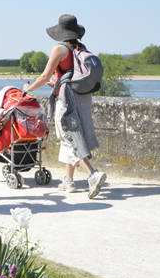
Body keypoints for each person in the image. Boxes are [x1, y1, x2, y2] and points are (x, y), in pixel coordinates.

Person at [23, 14, 107, 198]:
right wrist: (58, 83)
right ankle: (68, 181)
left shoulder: (59, 49)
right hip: (82, 96)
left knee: (68, 135)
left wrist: (29, 89)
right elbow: (73, 74)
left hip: (67, 98)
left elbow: (45, 76)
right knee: (75, 135)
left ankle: (93, 174)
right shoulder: (79, 47)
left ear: (59, 32)